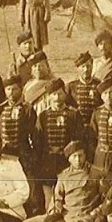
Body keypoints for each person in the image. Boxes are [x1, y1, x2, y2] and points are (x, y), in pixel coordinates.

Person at [36, 79, 84, 207]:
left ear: (65, 94)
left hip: (66, 161)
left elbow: (78, 139)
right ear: (49, 96)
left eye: (60, 94)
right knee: (49, 199)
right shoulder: (43, 116)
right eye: (54, 94)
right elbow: (38, 141)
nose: (57, 97)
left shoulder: (73, 114)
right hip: (48, 161)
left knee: (66, 196)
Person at [0, 75, 40, 212]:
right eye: (8, 89)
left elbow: (34, 134)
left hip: (23, 154)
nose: (11, 92)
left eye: (14, 89)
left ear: (20, 90)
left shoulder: (27, 109)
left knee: (26, 187)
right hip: (6, 154)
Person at [49, 141, 102, 222]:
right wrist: (54, 213)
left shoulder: (95, 173)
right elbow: (57, 198)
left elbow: (106, 197)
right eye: (74, 156)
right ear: (69, 158)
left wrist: (97, 211)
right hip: (64, 215)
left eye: (80, 155)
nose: (78, 160)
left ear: (85, 155)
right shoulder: (63, 176)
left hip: (83, 216)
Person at [67, 51, 100, 129]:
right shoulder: (71, 86)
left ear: (92, 66)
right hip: (77, 127)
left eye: (88, 66)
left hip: (95, 127)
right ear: (78, 68)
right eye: (83, 66)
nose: (86, 70)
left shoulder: (99, 85)